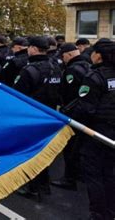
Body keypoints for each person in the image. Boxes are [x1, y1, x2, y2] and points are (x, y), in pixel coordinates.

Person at [65, 39, 115, 220]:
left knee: (94, 176)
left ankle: (98, 214)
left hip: (96, 134)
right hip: (111, 133)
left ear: (99, 56)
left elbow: (85, 109)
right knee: (109, 173)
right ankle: (110, 211)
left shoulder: (94, 77)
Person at [14, 36, 63, 200]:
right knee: (44, 151)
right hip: (50, 115)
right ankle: (44, 184)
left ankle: (32, 188)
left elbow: (17, 95)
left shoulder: (29, 70)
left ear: (34, 49)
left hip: (31, 117)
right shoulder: (55, 66)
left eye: (29, 47)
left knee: (30, 152)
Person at [51, 43, 91, 191]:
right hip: (86, 113)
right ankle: (79, 174)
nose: (63, 59)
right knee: (81, 146)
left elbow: (68, 93)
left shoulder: (72, 71)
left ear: (68, 54)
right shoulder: (87, 64)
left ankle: (69, 178)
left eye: (63, 56)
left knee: (71, 148)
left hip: (73, 114)